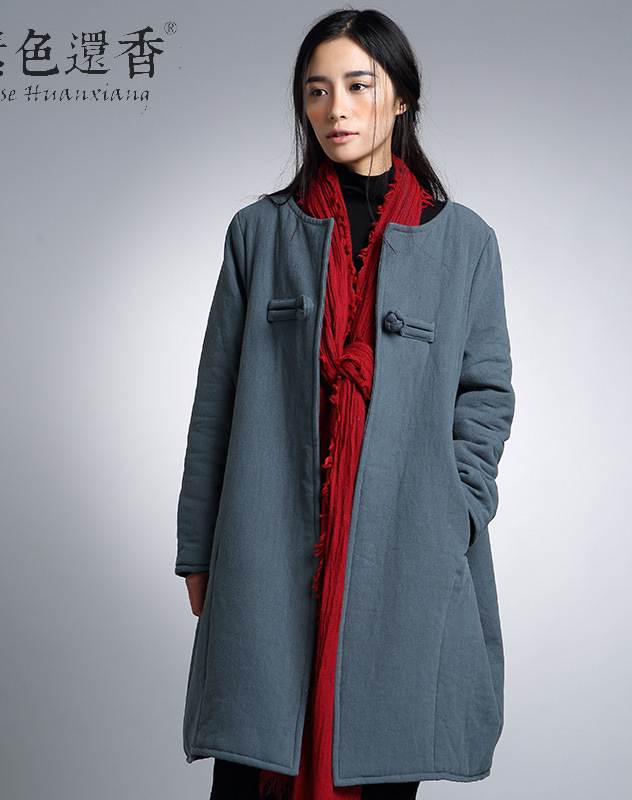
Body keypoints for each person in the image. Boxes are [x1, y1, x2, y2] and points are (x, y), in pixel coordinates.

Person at [176, 8, 515, 800]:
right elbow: (215, 399)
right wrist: (198, 549)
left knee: (382, 759)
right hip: (267, 548)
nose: (337, 109)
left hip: (405, 550)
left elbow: (486, 394)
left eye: (359, 86)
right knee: (253, 759)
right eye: (317, 90)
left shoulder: (465, 242)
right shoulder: (259, 232)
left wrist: (455, 511)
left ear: (402, 98)